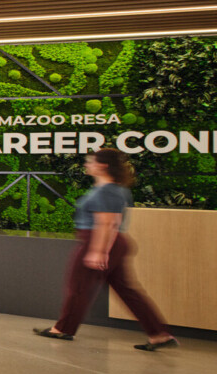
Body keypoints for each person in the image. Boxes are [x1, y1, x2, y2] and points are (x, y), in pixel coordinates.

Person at [36, 149, 176, 350]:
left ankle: (63, 329)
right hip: (112, 242)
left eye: (90, 161)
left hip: (98, 241)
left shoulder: (107, 190)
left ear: (102, 166)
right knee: (127, 291)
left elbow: (107, 223)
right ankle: (158, 334)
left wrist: (98, 251)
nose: (86, 164)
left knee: (78, 288)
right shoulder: (115, 189)